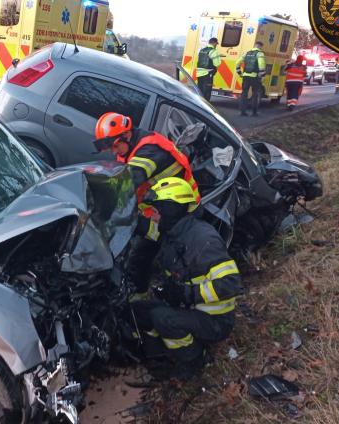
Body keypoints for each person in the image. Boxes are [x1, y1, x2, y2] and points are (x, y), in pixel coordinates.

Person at [129, 177, 243, 379]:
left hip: (215, 320)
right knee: (137, 310)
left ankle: (193, 358)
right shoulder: (174, 231)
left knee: (162, 318)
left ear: (170, 209)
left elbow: (231, 284)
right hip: (189, 308)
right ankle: (158, 356)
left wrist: (185, 294)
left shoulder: (201, 240)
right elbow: (150, 230)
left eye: (155, 211)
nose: (153, 217)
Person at [93, 112, 201, 292]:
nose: (113, 152)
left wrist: (97, 202)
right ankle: (141, 288)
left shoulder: (148, 150)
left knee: (163, 254)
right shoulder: (130, 147)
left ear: (126, 135)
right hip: (160, 207)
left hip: (182, 209)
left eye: (115, 146)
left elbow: (129, 181)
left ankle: (167, 291)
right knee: (142, 249)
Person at [236, 41, 266, 116]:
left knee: (244, 94)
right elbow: (261, 65)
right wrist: (262, 75)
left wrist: (240, 73)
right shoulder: (260, 54)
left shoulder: (247, 53)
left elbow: (237, 62)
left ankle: (242, 111)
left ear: (255, 45)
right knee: (255, 94)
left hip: (246, 76)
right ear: (260, 46)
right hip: (255, 77)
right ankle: (254, 112)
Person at [196, 37, 222, 102]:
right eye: (216, 44)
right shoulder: (213, 51)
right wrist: (218, 57)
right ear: (214, 43)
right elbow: (217, 64)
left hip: (199, 73)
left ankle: (199, 104)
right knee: (207, 91)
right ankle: (206, 107)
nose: (216, 45)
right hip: (207, 74)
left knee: (200, 90)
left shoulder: (201, 50)